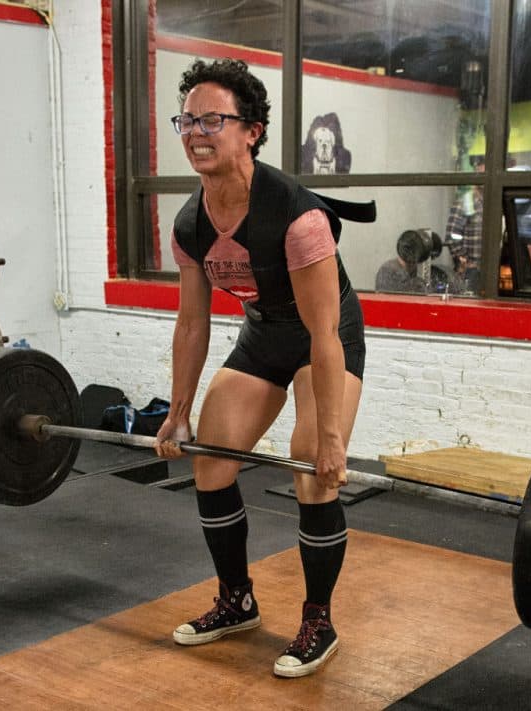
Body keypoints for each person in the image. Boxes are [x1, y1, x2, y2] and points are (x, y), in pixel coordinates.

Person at [153, 58, 366, 679]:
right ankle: (236, 599)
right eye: (188, 120)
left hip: (325, 339)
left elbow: (324, 333)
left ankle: (318, 621)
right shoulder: (191, 223)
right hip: (264, 336)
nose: (197, 131)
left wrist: (330, 438)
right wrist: (179, 409)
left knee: (311, 470)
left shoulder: (296, 217)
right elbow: (192, 324)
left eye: (213, 119)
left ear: (252, 130)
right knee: (212, 460)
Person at [445, 159, 484, 292]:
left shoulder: (491, 203)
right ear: (477, 170)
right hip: (471, 271)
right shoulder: (466, 202)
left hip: (488, 270)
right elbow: (452, 237)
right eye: (482, 167)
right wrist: (467, 262)